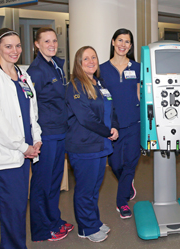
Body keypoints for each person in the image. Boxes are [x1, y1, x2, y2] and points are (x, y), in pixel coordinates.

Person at [0, 28, 42, 249]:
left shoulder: (23, 74)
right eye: (8, 46)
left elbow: (32, 112)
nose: (14, 51)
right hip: (8, 155)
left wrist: (36, 139)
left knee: (17, 209)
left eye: (17, 45)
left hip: (25, 152)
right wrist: (23, 146)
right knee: (12, 210)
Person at [66, 46, 119, 242]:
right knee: (85, 189)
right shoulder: (75, 86)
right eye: (85, 58)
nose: (91, 61)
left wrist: (114, 126)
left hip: (100, 144)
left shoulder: (99, 83)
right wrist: (107, 132)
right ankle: (86, 228)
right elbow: (86, 118)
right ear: (78, 63)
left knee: (94, 187)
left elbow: (110, 109)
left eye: (93, 57)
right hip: (84, 146)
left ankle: (93, 221)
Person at [27, 27, 73, 242]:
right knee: (41, 184)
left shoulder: (57, 66)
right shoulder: (35, 70)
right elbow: (30, 107)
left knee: (54, 182)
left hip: (60, 131)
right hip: (46, 135)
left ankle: (54, 220)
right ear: (37, 44)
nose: (52, 44)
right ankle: (42, 230)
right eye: (46, 41)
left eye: (54, 40)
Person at [99, 28, 140, 219]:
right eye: (120, 41)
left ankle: (122, 202)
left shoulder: (138, 68)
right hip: (112, 125)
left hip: (134, 122)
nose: (123, 45)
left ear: (131, 46)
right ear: (113, 42)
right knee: (115, 163)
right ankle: (127, 181)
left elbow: (143, 93)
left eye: (127, 42)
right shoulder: (102, 69)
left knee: (131, 162)